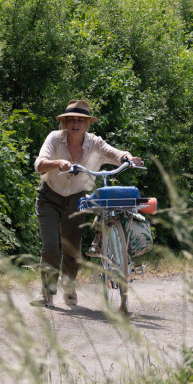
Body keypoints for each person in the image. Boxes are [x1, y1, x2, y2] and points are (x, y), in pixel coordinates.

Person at [32, 99, 142, 308]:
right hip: (49, 197)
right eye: (71, 120)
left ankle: (69, 288)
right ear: (65, 123)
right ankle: (47, 293)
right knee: (50, 247)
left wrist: (128, 157)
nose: (75, 124)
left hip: (77, 198)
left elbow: (114, 153)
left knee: (72, 249)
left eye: (80, 120)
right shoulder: (55, 139)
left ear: (87, 124)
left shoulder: (95, 142)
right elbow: (39, 164)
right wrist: (59, 163)